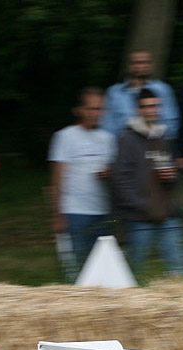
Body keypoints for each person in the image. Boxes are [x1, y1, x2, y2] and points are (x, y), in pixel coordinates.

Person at [111, 88, 183, 276]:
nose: (150, 110)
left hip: (167, 212)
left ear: (159, 108)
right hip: (140, 216)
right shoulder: (127, 139)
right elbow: (119, 178)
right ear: (138, 109)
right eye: (146, 106)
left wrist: (172, 177)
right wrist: (141, 205)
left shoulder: (164, 137)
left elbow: (172, 174)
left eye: (154, 106)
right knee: (135, 270)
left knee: (179, 269)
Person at [48, 87, 117, 271]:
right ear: (78, 110)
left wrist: (108, 174)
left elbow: (114, 173)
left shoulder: (108, 139)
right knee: (77, 267)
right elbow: (56, 180)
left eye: (100, 109)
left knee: (102, 268)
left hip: (102, 211)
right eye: (91, 109)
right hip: (75, 212)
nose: (96, 114)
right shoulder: (65, 136)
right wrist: (57, 215)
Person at [101, 50, 179, 141]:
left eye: (144, 62)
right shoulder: (114, 92)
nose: (139, 66)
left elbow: (171, 121)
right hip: (123, 144)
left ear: (151, 66)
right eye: (135, 63)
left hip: (155, 142)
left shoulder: (162, 89)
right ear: (128, 66)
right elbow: (107, 124)